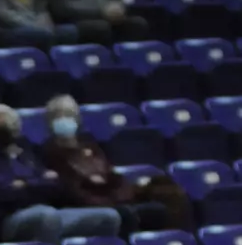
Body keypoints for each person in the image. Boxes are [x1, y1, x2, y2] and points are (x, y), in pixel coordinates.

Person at [0, 105, 122, 244]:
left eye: (10, 123)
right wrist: (37, 183)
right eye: (1, 124)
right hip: (10, 219)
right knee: (47, 216)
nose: (7, 128)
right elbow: (3, 193)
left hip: (49, 210)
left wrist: (25, 184)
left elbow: (55, 184)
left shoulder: (26, 150)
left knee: (109, 217)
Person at [41, 96, 189, 233]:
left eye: (69, 114)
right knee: (127, 214)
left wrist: (119, 191)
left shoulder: (90, 147)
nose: (64, 119)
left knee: (169, 194)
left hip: (114, 195)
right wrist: (101, 189)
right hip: (93, 203)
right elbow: (72, 188)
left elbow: (111, 174)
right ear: (49, 121)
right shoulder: (50, 151)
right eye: (58, 115)